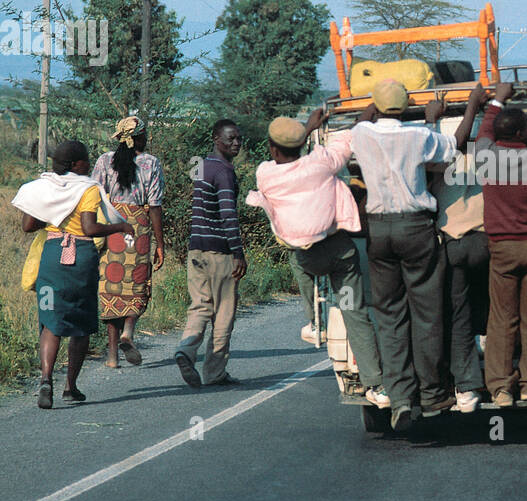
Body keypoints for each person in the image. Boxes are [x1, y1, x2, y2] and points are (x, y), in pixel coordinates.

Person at [246, 108, 385, 405]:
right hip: (341, 255)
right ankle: (376, 384)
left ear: (272, 148)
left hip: (309, 260)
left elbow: (287, 161)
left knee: (295, 256)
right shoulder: (323, 163)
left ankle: (313, 320)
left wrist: (306, 130)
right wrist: (364, 117)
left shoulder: (265, 174)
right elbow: (346, 142)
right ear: (300, 145)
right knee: (355, 314)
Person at [351, 79, 458, 432]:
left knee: (390, 316)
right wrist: (432, 118)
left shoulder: (363, 134)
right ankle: (431, 394)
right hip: (416, 229)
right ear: (407, 106)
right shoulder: (418, 136)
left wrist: (373, 106)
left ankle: (399, 398)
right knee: (426, 313)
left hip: (378, 231)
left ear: (376, 107)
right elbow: (451, 149)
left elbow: (363, 119)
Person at [13, 140, 134, 409]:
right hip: (81, 259)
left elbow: (28, 226)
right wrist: (120, 226)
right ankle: (71, 386)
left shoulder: (42, 187)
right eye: (86, 160)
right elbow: (89, 228)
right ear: (75, 164)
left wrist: (53, 213)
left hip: (53, 256)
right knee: (80, 324)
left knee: (50, 322)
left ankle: (45, 380)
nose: (89, 165)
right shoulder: (87, 189)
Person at [475, 81, 527, 406]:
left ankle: (502, 389)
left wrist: (495, 103)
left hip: (501, 250)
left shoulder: (487, 158)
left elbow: (483, 135)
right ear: (521, 133)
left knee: (502, 319)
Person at [175, 119, 246, 389]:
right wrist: (238, 252)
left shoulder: (200, 165)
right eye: (230, 139)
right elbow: (228, 214)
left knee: (200, 307)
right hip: (220, 252)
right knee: (224, 313)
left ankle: (185, 349)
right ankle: (215, 372)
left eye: (238, 138)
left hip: (196, 248)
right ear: (216, 138)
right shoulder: (225, 172)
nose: (236, 143)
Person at [431, 84, 489, 414]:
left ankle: (466, 387)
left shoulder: (440, 158)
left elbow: (449, 148)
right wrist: (479, 105)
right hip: (485, 242)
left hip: (451, 243)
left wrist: (433, 120)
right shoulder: (487, 156)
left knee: (458, 313)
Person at [91, 115, 165, 368]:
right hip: (138, 231)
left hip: (111, 230)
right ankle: (128, 332)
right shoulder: (151, 163)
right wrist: (161, 245)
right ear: (140, 137)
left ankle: (112, 357)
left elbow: (94, 196)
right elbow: (155, 206)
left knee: (112, 286)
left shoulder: (104, 161)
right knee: (137, 284)